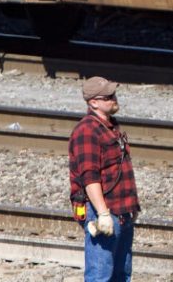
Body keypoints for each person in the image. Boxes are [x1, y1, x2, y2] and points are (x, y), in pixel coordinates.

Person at [67, 76, 139, 282]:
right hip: (103, 212)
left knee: (121, 275)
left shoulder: (110, 127)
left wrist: (132, 207)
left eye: (113, 95)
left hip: (121, 211)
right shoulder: (87, 131)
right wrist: (103, 213)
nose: (113, 99)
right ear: (93, 102)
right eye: (108, 96)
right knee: (100, 276)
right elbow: (89, 177)